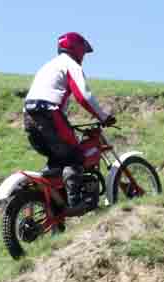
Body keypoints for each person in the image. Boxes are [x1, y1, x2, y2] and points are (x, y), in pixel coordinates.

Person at [23, 32, 116, 210]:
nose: (83, 57)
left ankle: (54, 203)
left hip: (29, 117)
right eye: (83, 52)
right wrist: (103, 117)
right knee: (75, 156)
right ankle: (75, 202)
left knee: (57, 160)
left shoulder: (48, 66)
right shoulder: (70, 64)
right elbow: (84, 96)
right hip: (49, 113)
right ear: (77, 49)